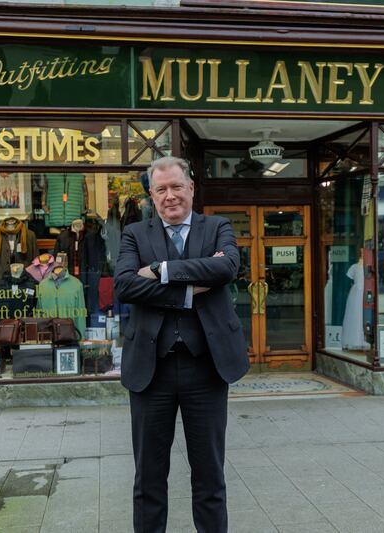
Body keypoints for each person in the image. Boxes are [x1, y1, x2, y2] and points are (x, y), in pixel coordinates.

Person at [114, 156, 249, 533]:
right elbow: (125, 285)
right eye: (161, 190)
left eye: (177, 187)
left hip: (206, 368)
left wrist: (161, 270)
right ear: (152, 196)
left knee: (209, 476)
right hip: (149, 370)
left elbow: (227, 268)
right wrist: (190, 291)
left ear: (191, 188)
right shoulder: (134, 234)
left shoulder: (218, 226)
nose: (170, 196)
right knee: (149, 479)